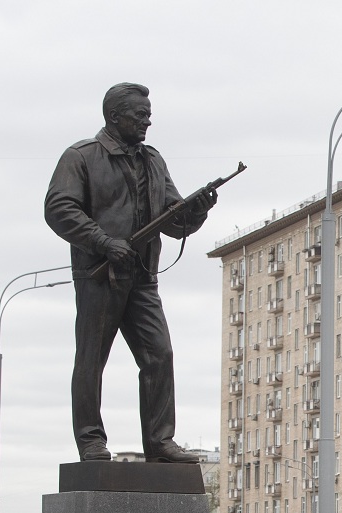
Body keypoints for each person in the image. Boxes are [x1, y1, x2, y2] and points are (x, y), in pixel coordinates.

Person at [44, 81, 215, 462]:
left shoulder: (153, 161)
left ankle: (159, 443)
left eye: (149, 116)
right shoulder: (82, 157)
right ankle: (90, 440)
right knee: (91, 360)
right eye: (140, 115)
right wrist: (102, 241)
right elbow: (59, 208)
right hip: (100, 275)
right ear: (114, 116)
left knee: (160, 355)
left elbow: (173, 221)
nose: (147, 123)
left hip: (142, 278)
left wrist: (198, 209)